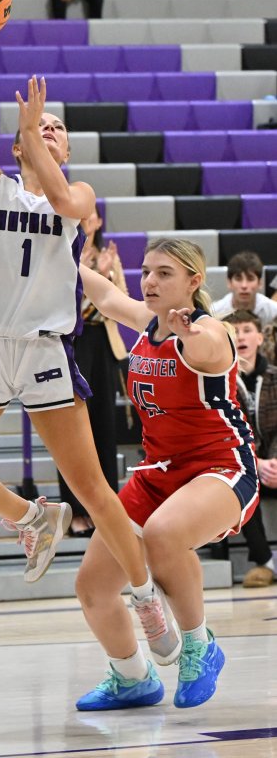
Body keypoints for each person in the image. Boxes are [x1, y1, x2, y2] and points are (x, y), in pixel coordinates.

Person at [0, 23, 179, 662]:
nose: (50, 130)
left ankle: (146, 598)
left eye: (59, 128)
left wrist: (40, 141)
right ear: (15, 146)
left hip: (43, 354)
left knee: (94, 489)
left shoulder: (78, 195)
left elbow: (65, 197)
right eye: (41, 126)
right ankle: (31, 517)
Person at [75, 237, 259, 710]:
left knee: (163, 534)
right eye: (147, 271)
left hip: (221, 467)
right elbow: (106, 296)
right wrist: (61, 259)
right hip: (158, 473)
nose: (150, 281)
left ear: (194, 282)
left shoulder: (207, 332)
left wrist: (189, 332)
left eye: (164, 273)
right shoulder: (146, 323)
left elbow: (210, 343)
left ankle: (199, 644)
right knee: (93, 587)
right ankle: (132, 676)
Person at [58, 209, 128, 536]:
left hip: (103, 344)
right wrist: (87, 272)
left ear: (99, 222)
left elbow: (123, 304)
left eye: (93, 215)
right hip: (72, 342)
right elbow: (61, 304)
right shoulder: (59, 250)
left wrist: (108, 276)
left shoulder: (110, 257)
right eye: (82, 214)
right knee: (71, 429)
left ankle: (108, 511)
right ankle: (74, 510)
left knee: (104, 427)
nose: (88, 219)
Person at [223, 310, 277, 588]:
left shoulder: (275, 376)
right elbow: (225, 432)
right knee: (239, 487)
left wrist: (274, 460)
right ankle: (264, 561)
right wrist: (255, 462)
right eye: (235, 331)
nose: (241, 337)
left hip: (274, 463)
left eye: (247, 330)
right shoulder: (218, 380)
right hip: (242, 465)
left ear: (259, 337)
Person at [212, 250, 277, 326]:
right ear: (229, 282)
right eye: (238, 279)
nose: (244, 285)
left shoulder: (274, 312)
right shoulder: (214, 313)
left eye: (250, 279)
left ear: (260, 283)